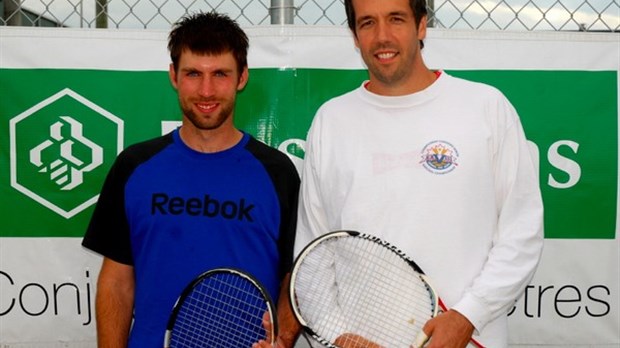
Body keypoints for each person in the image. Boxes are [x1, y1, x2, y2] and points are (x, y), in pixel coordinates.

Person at [293, 0, 544, 347]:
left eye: (396, 19)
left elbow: (522, 230)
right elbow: (313, 250)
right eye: (367, 23)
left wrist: (469, 314)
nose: (382, 37)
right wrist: (338, 335)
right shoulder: (331, 120)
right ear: (354, 35)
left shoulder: (486, 107)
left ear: (421, 25)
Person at [82, 11, 300, 347]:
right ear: (174, 76)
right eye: (193, 73)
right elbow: (116, 282)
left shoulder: (277, 171)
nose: (206, 90)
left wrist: (283, 338)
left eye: (221, 74)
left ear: (242, 77)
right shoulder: (135, 166)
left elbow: (293, 278)